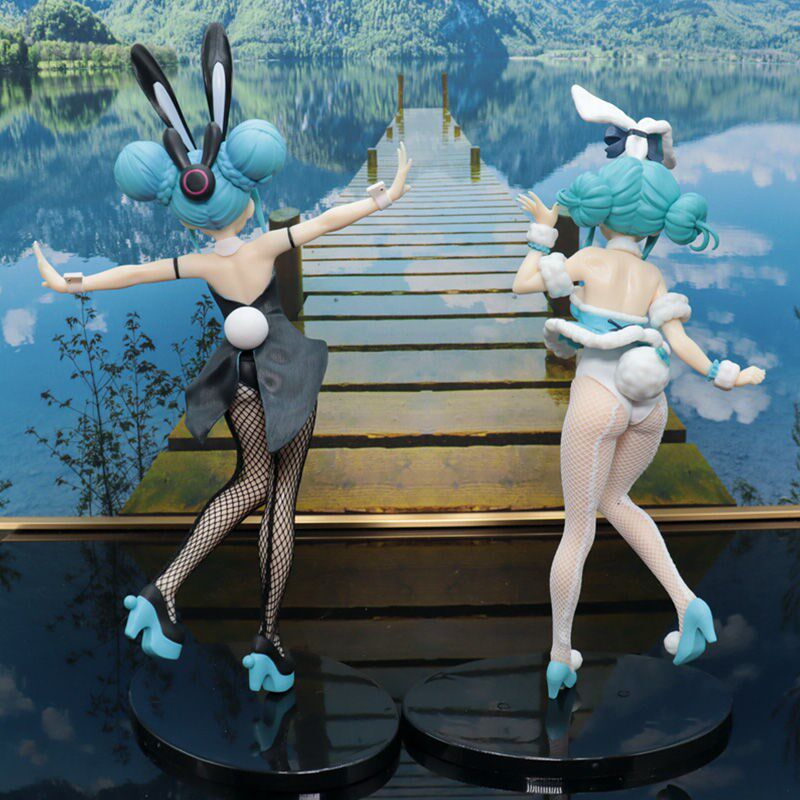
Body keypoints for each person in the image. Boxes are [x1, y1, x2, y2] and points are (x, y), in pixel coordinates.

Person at [33, 24, 412, 693]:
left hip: (236, 380)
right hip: (284, 372)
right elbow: (325, 222)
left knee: (249, 480)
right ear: (244, 191)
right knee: (279, 495)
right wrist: (384, 196)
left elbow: (136, 274)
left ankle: (166, 590)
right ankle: (264, 636)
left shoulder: (203, 261)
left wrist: (74, 283)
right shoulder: (262, 248)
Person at [512, 85, 765, 699]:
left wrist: (544, 234)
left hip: (598, 398)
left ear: (601, 209)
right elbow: (681, 342)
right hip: (650, 404)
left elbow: (526, 284)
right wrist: (723, 374)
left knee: (578, 531)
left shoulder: (587, 262)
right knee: (618, 500)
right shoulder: (653, 275)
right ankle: (686, 602)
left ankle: (560, 655)